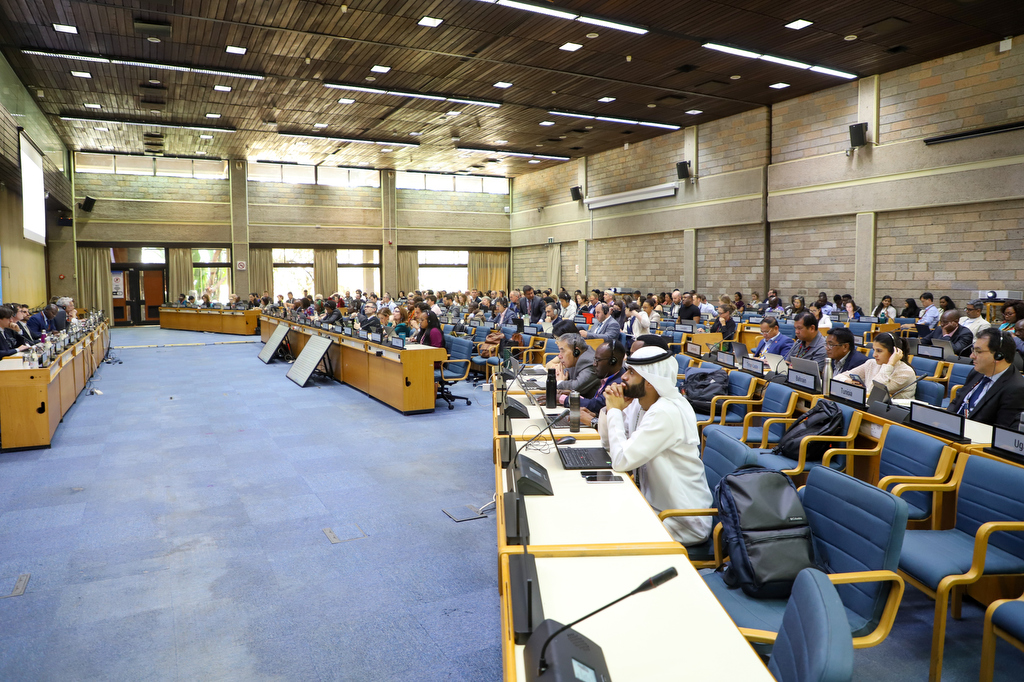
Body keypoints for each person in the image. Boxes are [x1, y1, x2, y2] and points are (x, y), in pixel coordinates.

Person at [598, 345, 713, 545]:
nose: (623, 377)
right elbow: (610, 446)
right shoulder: (641, 404)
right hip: (652, 505)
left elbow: (620, 460)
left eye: (631, 372)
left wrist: (615, 412)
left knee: (605, 527)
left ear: (651, 381)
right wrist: (611, 409)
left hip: (680, 520)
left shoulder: (666, 412)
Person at [946, 329, 1024, 430]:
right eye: (973, 350)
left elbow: (1002, 432)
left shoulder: (1016, 389)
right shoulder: (977, 372)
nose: (972, 356)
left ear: (998, 356)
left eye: (978, 352)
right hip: (953, 430)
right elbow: (957, 403)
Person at [560, 340, 626, 427]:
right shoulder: (608, 378)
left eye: (598, 360)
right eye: (594, 360)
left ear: (613, 361)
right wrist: (594, 415)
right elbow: (600, 408)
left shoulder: (619, 383)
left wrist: (563, 398)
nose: (594, 364)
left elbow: (595, 405)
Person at [835, 332, 918, 399]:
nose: (874, 355)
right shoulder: (871, 363)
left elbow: (873, 391)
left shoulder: (906, 373)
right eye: (874, 350)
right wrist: (849, 381)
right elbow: (837, 377)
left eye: (879, 351)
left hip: (895, 416)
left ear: (894, 351)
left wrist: (890, 364)